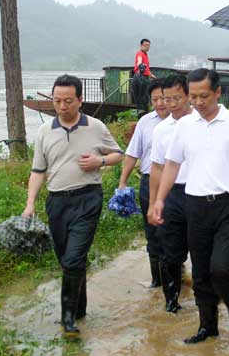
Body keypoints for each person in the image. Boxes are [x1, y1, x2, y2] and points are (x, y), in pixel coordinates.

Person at [152, 68, 229, 345]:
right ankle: (208, 327)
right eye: (193, 97)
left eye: (204, 96)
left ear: (217, 92)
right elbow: (172, 165)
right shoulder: (184, 125)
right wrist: (159, 200)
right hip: (195, 205)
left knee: (222, 268)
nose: (198, 102)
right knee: (201, 271)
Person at [22, 74, 124, 336]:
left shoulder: (96, 126)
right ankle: (80, 311)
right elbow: (37, 171)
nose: (62, 106)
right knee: (68, 260)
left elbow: (117, 155)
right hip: (57, 202)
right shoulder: (45, 132)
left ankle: (67, 320)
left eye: (68, 100)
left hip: (88, 198)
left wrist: (99, 163)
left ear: (80, 100)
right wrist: (30, 203)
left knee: (73, 258)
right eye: (57, 101)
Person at [147, 75, 193, 313]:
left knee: (202, 249)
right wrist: (155, 202)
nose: (171, 104)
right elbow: (157, 168)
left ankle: (207, 300)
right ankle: (171, 302)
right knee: (169, 252)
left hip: (199, 193)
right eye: (166, 99)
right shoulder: (162, 130)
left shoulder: (200, 123)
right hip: (172, 195)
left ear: (188, 96)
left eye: (176, 98)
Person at [119, 79, 169, 289]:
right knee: (152, 233)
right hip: (149, 183)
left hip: (177, 186)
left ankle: (173, 278)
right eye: (154, 99)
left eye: (163, 99)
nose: (159, 103)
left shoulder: (187, 121)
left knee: (173, 233)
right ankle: (157, 282)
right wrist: (123, 181)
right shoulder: (145, 122)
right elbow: (132, 153)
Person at [131, 38, 156, 116]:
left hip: (144, 77)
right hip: (140, 77)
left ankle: (143, 113)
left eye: (148, 45)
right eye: (145, 45)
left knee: (144, 97)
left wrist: (150, 75)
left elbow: (146, 68)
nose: (147, 47)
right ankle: (142, 114)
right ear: (141, 45)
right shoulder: (140, 53)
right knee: (142, 97)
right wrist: (140, 65)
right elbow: (139, 62)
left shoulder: (145, 54)